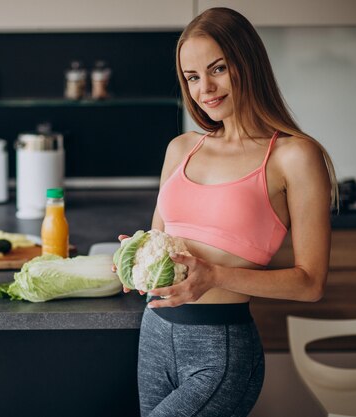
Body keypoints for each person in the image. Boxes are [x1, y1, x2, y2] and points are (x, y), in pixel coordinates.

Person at [122, 7, 338, 417]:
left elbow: (310, 283)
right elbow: (158, 240)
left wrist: (216, 276)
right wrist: (134, 258)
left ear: (247, 63)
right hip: (154, 334)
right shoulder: (182, 148)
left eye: (217, 68)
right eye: (192, 77)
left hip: (219, 348)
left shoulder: (294, 156)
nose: (206, 88)